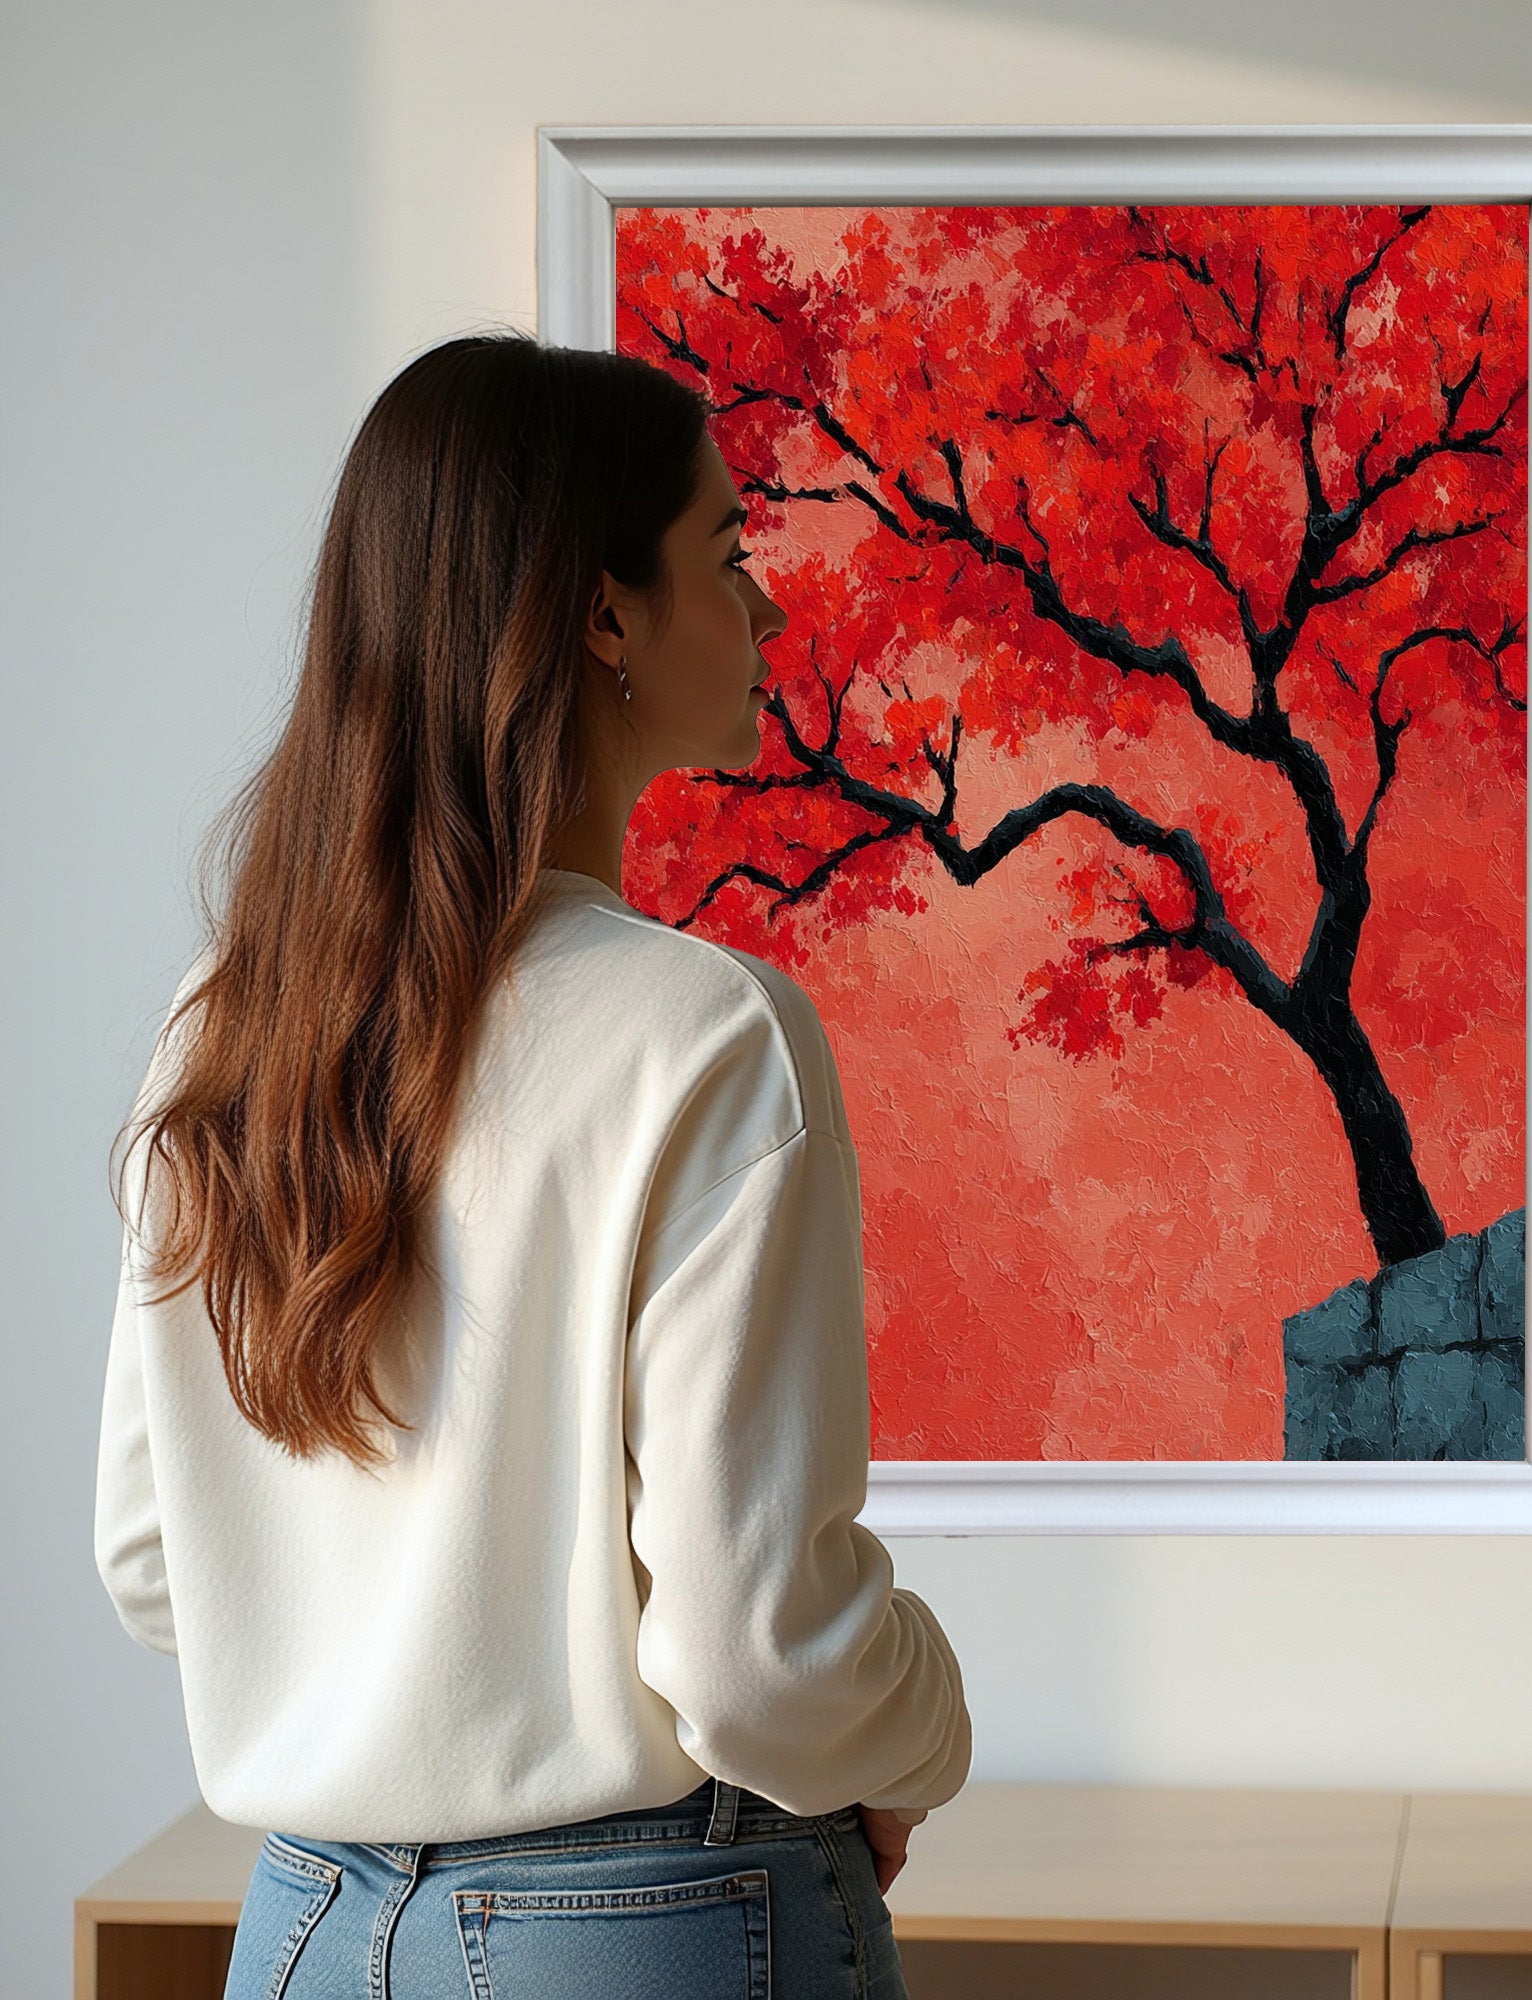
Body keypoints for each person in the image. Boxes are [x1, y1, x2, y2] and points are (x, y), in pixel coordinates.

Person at [92, 332, 972, 2000]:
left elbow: (155, 1563)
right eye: (730, 555)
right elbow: (756, 1654)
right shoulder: (709, 1033)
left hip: (298, 1931)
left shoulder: (226, 1026)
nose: (770, 612)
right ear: (605, 613)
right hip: (651, 1929)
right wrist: (924, 1722)